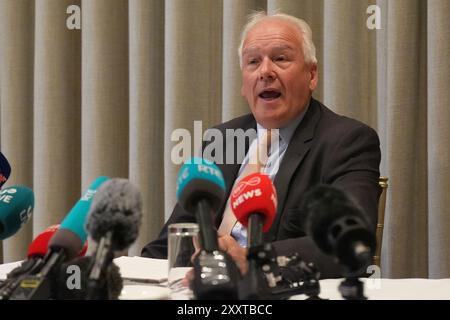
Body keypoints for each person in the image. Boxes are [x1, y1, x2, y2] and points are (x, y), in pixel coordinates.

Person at [142, 12, 381, 279]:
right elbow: (168, 245)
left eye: (280, 58)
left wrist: (249, 261)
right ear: (244, 83)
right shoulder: (221, 139)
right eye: (253, 62)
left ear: (311, 75)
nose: (265, 71)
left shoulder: (348, 140)